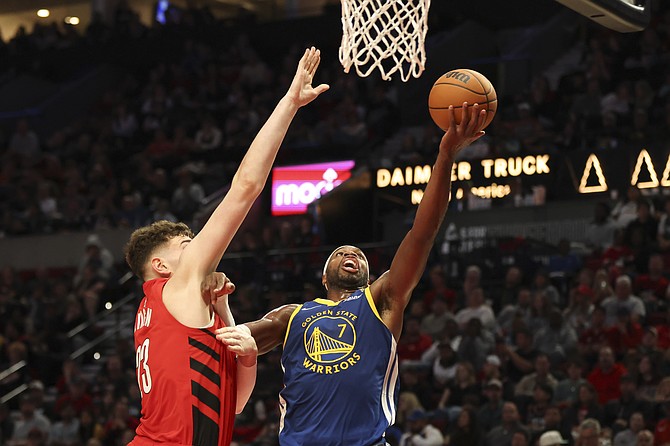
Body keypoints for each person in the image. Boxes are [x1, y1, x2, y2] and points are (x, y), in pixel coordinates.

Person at [226, 102, 488, 445]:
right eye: (340, 253)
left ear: (368, 276)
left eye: (358, 255)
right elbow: (231, 340)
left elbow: (422, 234)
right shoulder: (292, 316)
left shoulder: (381, 299)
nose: (350, 253)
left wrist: (445, 156)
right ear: (323, 278)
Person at [124, 47, 329, 446]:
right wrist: (289, 104)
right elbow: (245, 189)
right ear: (162, 265)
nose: (199, 247)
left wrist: (237, 335)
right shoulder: (177, 284)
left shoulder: (156, 313)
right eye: (188, 244)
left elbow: (232, 404)